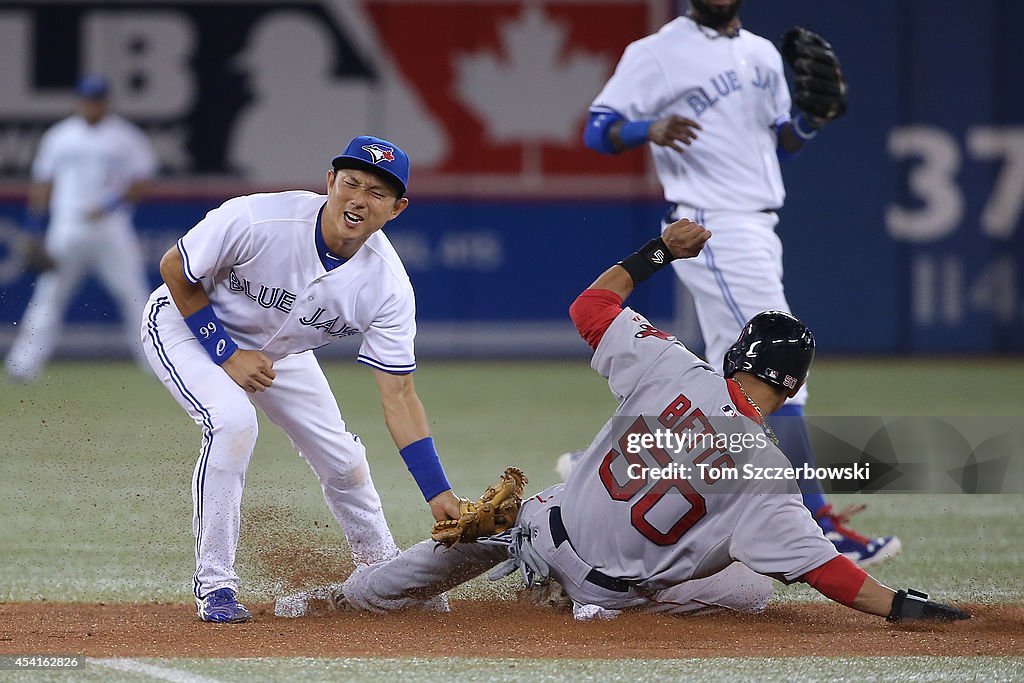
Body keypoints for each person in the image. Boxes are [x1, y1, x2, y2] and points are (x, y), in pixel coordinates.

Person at [275, 221, 968, 625]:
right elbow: (830, 574)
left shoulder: (673, 365)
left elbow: (589, 307)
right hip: (602, 594)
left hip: (541, 529)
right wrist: (903, 606)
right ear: (794, 388)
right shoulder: (769, 476)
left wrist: (659, 251)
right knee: (758, 582)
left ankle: (343, 597)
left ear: (737, 354)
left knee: (481, 530)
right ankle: (585, 606)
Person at [567, 0, 900, 565]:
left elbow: (778, 144)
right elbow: (598, 131)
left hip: (757, 221)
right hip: (711, 221)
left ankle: (619, 461)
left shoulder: (762, 52)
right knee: (779, 363)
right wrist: (650, 126)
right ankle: (817, 524)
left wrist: (809, 123)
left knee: (733, 377)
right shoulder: (657, 52)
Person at [142, 134, 461, 623]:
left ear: (396, 209)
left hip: (278, 353)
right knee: (233, 424)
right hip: (187, 324)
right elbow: (174, 268)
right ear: (330, 182)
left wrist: (438, 493)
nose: (358, 199)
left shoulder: (387, 287)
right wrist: (225, 353)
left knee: (344, 458)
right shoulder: (259, 219)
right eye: (351, 183)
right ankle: (216, 586)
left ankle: (381, 571)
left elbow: (398, 395)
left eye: (376, 193)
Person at [5, 74, 156, 382]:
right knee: (48, 298)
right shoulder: (60, 136)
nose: (92, 105)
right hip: (67, 227)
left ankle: (157, 362)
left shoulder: (124, 136)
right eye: (87, 99)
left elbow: (142, 179)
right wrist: (35, 227)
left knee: (135, 296)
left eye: (97, 99)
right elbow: (43, 183)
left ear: (106, 101)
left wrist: (112, 205)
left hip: (111, 227)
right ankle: (23, 366)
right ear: (79, 101)